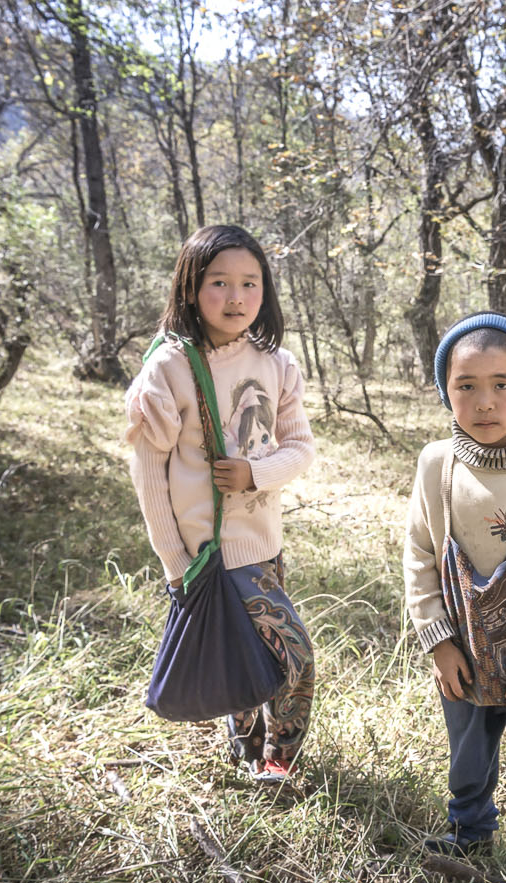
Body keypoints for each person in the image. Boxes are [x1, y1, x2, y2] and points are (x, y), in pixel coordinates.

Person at [124, 224, 316, 783]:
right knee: (294, 656)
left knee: (251, 653)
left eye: (250, 284)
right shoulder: (169, 369)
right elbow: (150, 476)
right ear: (190, 287)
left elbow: (301, 447)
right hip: (210, 554)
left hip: (264, 544)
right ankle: (273, 757)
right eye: (219, 283)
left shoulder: (276, 363)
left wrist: (254, 472)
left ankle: (259, 753)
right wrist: (176, 564)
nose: (236, 298)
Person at [403, 311, 506, 883]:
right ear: (445, 391)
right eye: (466, 386)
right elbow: (420, 553)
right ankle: (468, 831)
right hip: (462, 649)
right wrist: (438, 640)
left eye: (503, 385)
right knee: (467, 751)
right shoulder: (436, 465)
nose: (485, 402)